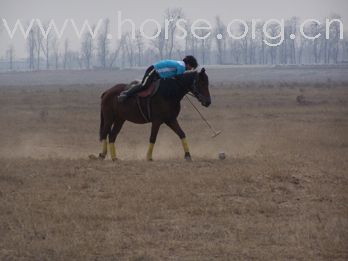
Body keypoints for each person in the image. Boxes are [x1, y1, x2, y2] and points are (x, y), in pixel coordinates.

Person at [118, 55, 198, 102]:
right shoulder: (182, 67)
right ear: (188, 64)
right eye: (191, 67)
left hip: (158, 75)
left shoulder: (181, 65)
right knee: (144, 85)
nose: (190, 69)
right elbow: (179, 80)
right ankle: (126, 94)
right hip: (153, 70)